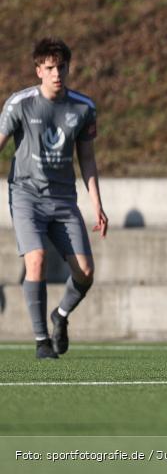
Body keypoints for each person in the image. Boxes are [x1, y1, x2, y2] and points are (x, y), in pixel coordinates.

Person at [0, 38, 108, 359]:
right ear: (38, 71)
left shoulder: (83, 108)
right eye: (49, 68)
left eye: (61, 67)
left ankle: (59, 316)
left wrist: (97, 205)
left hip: (63, 200)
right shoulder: (20, 104)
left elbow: (87, 159)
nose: (57, 73)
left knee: (85, 273)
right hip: (26, 196)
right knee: (37, 259)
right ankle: (40, 341)